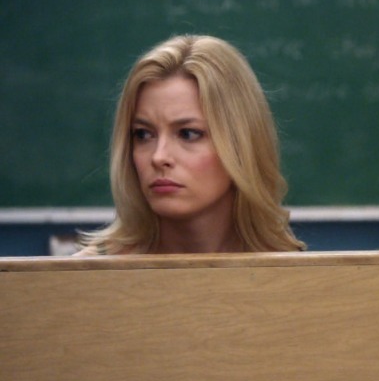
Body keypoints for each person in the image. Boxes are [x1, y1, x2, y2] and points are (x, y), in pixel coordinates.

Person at [76, 35, 305, 255]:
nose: (159, 156)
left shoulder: (293, 277)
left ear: (240, 144)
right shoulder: (86, 278)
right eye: (143, 134)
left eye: (187, 134)